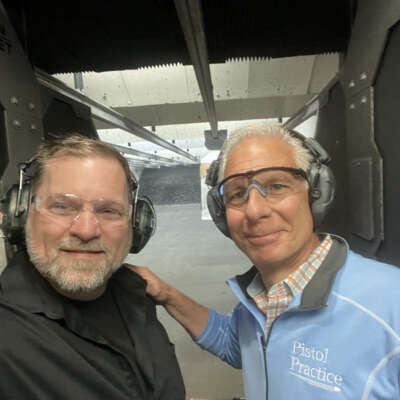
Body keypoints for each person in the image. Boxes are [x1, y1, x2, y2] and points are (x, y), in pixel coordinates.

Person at [131, 124, 400, 400]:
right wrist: (167, 294)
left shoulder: (391, 304)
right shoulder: (259, 297)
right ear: (221, 214)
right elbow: (235, 345)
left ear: (316, 192)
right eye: (237, 194)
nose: (255, 210)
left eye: (276, 186)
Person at [0, 134, 185, 400]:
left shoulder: (135, 294)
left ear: (135, 224)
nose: (86, 231)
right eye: (62, 206)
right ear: (23, 213)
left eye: (109, 211)